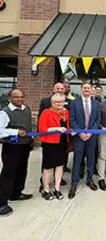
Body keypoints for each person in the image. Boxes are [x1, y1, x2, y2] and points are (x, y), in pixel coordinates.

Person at [0, 89, 33, 217]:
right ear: (10, 99)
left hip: (25, 146)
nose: (19, 99)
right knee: (8, 173)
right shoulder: (4, 113)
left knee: (22, 170)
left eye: (21, 96)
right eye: (16, 97)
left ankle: (16, 193)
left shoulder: (27, 109)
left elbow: (29, 125)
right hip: (11, 147)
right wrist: (15, 132)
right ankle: (2, 201)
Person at [68, 83, 101, 199]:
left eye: (89, 88)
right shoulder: (74, 102)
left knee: (91, 159)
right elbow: (71, 119)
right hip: (79, 136)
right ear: (81, 89)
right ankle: (74, 183)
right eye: (84, 88)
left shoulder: (96, 103)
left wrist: (91, 132)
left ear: (92, 90)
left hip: (91, 137)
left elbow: (98, 120)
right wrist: (80, 132)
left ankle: (90, 179)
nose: (86, 90)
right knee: (77, 160)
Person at [38, 94, 71, 200]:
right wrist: (56, 129)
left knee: (60, 166)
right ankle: (46, 189)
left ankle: (56, 188)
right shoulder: (46, 112)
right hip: (49, 143)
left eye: (61, 101)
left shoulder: (66, 112)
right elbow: (42, 129)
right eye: (56, 102)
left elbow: (68, 127)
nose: (59, 104)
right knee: (48, 168)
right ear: (52, 103)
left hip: (62, 143)